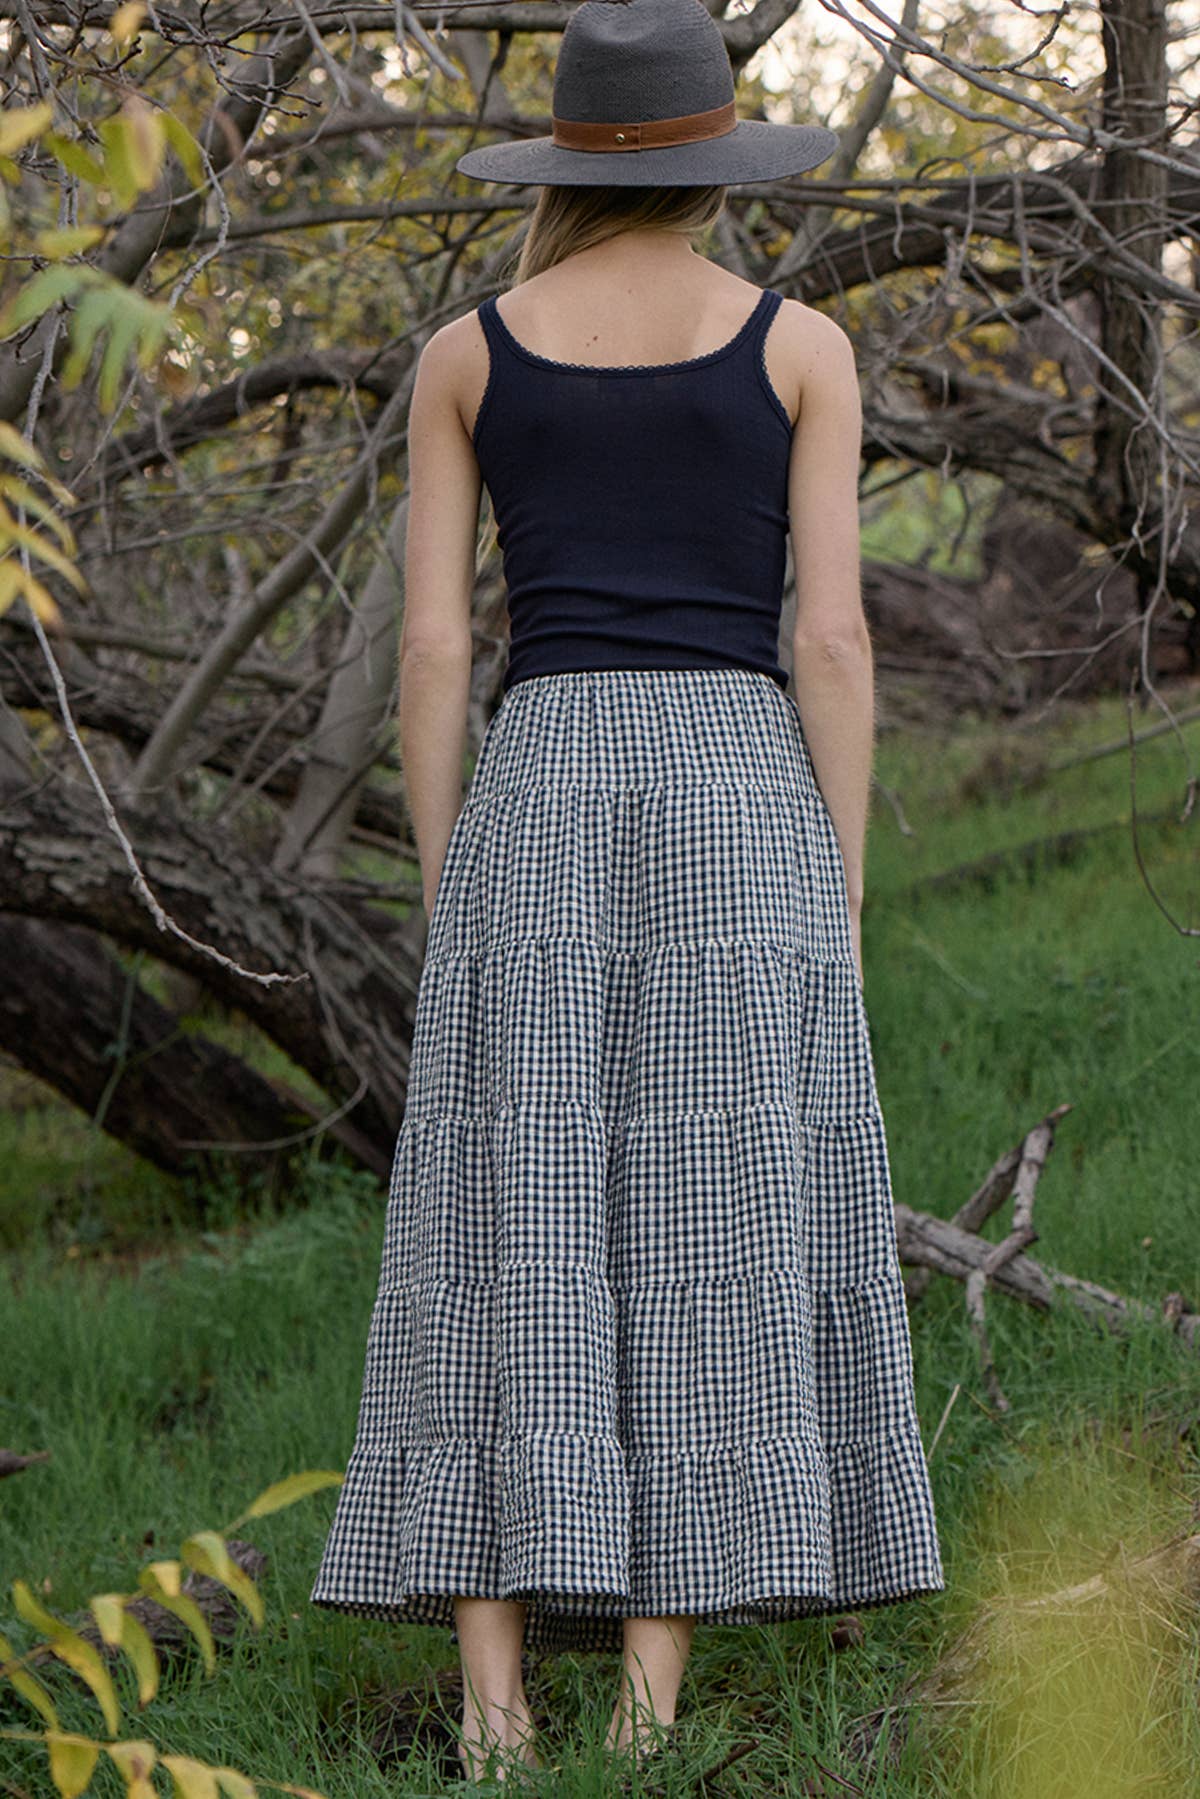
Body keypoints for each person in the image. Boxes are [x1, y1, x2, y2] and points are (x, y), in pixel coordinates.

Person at [310, 0, 945, 1783]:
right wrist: (840, 876)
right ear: (718, 162)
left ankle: (492, 1714)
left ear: (563, 162)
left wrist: (455, 865)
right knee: (709, 1217)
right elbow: (833, 638)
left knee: (502, 1213)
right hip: (741, 794)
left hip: (541, 780)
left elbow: (436, 649)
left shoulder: (465, 355)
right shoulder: (801, 346)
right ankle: (645, 1719)